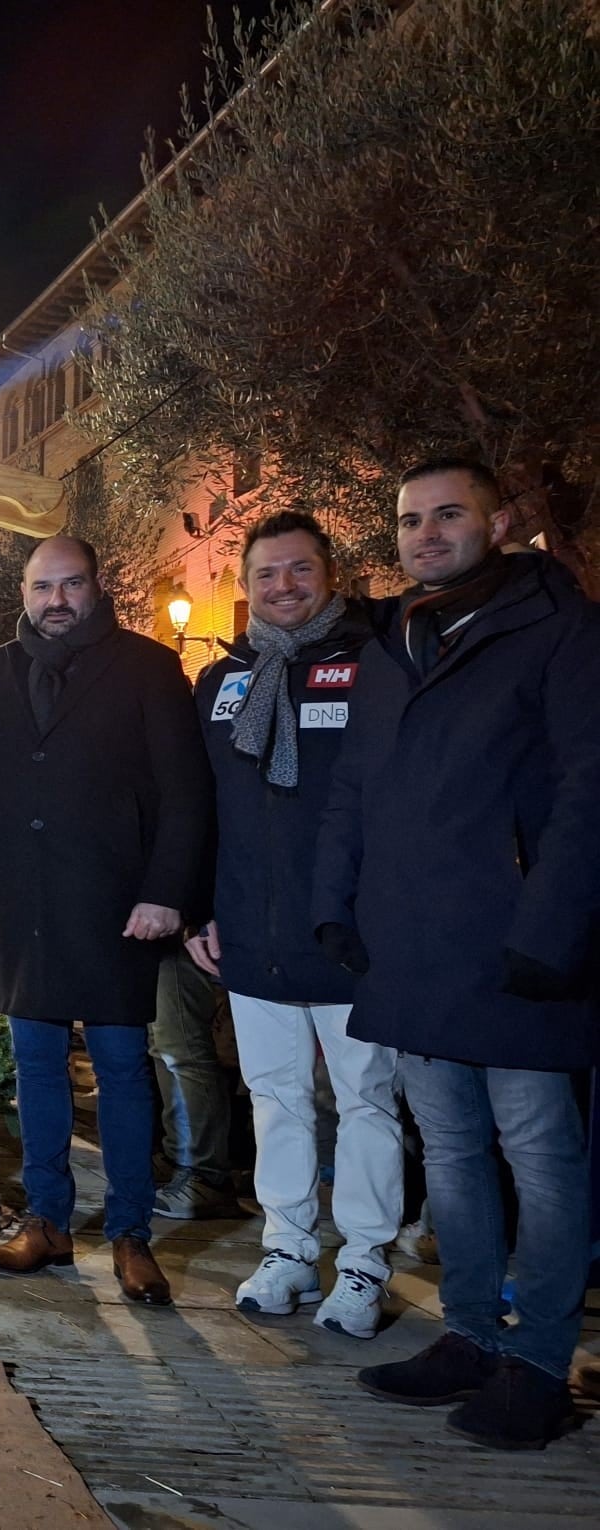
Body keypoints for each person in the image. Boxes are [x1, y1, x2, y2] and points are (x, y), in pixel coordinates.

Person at [315, 459, 600, 1449]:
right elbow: (354, 786)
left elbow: (587, 792)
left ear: (502, 521)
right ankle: (473, 1336)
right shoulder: (395, 642)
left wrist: (548, 931)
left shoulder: (562, 630)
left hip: (516, 948)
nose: (425, 534)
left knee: (543, 1158)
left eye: (448, 515)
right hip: (412, 944)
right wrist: (335, 907)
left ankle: (539, 1363)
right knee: (452, 1154)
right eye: (409, 521)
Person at [0, 535, 211, 1304]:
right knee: (36, 1070)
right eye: (43, 587)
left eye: (71, 585)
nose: (56, 600)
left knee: (122, 1071)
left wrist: (165, 889)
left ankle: (132, 1232)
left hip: (117, 906)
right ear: (27, 595)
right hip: (25, 903)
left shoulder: (146, 666)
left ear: (96, 589)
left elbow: (185, 792)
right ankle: (47, 1222)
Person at [187, 510, 402, 1339]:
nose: (283, 586)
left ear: (330, 575)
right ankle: (286, 1249)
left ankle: (365, 1261)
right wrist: (201, 904)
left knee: (365, 1100)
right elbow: (206, 805)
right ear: (244, 589)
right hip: (251, 927)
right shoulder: (222, 681)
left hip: (348, 932)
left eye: (299, 570)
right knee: (274, 1098)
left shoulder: (375, 664)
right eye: (267, 574)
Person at [149, 947, 243, 1221]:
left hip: (181, 936)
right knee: (163, 1047)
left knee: (182, 1049)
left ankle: (207, 1175)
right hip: (157, 943)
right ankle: (177, 1157)